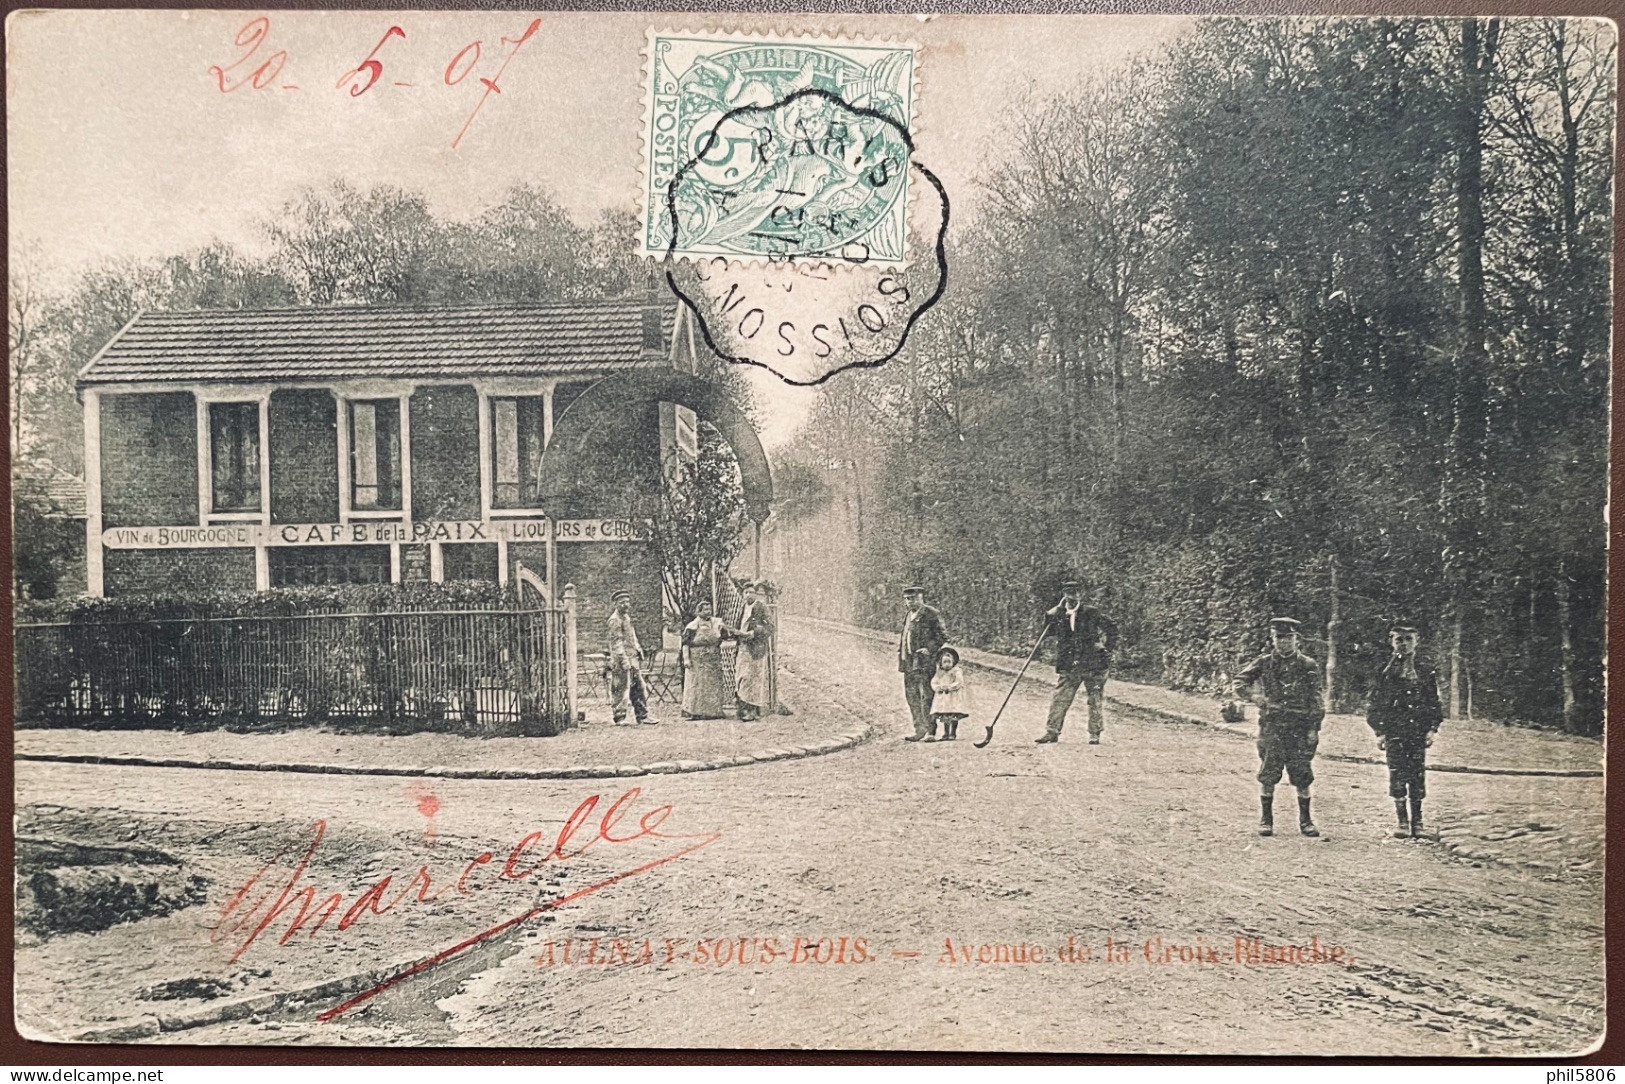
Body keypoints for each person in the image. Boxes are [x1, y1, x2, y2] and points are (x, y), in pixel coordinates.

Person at [1235, 617, 1325, 837]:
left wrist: (1314, 728)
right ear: (1272, 639)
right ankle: (1266, 820)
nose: (1283, 642)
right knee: (1269, 774)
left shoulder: (1308, 665)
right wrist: (1254, 696)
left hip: (1300, 727)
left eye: (1288, 638)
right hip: (1272, 726)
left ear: (1297, 639)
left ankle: (1306, 821)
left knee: (1302, 775)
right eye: (1279, 637)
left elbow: (1316, 699)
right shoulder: (1264, 662)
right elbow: (1239, 681)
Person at [1365, 624, 1444, 839]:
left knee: (1417, 773)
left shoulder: (1425, 668)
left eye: (1409, 639)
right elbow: (1374, 703)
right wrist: (1379, 731)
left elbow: (1433, 701)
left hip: (1417, 730)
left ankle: (1417, 822)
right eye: (1399, 639)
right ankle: (1401, 821)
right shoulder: (1384, 670)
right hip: (1394, 730)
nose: (1404, 644)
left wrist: (1432, 728)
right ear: (1392, 642)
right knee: (1397, 772)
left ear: (1416, 641)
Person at [1036, 578, 1119, 745]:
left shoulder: (1091, 612)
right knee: (1060, 698)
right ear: (1064, 595)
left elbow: (1112, 628)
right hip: (1069, 665)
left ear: (1080, 594)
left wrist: (1106, 648)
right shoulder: (1057, 614)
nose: (1071, 597)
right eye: (1068, 593)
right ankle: (1052, 732)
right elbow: (1047, 632)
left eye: (1075, 593)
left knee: (1094, 698)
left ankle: (1095, 733)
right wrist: (1054, 613)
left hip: (1093, 664)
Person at [898, 585, 948, 742]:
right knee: (911, 695)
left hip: (924, 662)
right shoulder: (908, 615)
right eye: (907, 599)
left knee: (926, 695)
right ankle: (918, 729)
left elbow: (943, 635)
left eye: (913, 598)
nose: (909, 602)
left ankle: (930, 731)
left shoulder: (931, 614)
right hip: (908, 662)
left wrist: (930, 648)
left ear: (921, 598)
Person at [606, 589, 654, 726]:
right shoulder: (614, 620)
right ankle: (619, 717)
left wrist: (638, 649)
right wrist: (624, 660)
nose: (625, 605)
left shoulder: (626, 618)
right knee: (620, 688)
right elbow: (617, 643)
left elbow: (631, 636)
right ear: (616, 604)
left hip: (632, 658)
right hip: (621, 660)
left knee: (638, 686)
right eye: (622, 602)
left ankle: (642, 716)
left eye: (627, 602)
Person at [681, 599, 734, 720]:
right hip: (697, 659)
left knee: (713, 684)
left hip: (713, 658)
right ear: (699, 611)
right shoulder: (692, 626)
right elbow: (685, 644)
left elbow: (726, 637)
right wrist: (686, 659)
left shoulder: (717, 624)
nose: (708, 612)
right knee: (697, 685)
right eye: (705, 609)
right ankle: (695, 712)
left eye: (709, 609)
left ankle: (714, 712)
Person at [733, 582, 774, 721]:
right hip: (743, 646)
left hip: (755, 648)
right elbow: (739, 625)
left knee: (753, 679)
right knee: (742, 677)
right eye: (746, 592)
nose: (749, 595)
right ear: (742, 595)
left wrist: (754, 632)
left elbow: (770, 627)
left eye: (751, 592)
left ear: (756, 594)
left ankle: (751, 711)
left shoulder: (761, 607)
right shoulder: (742, 608)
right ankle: (743, 708)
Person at [929, 645, 972, 742]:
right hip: (944, 697)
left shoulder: (956, 671)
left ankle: (953, 733)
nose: (947, 664)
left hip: (953, 697)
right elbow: (934, 681)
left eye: (949, 662)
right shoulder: (939, 672)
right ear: (941, 663)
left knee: (953, 715)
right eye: (945, 662)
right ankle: (946, 733)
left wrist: (950, 687)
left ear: (953, 662)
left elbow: (959, 682)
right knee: (945, 715)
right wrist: (937, 688)